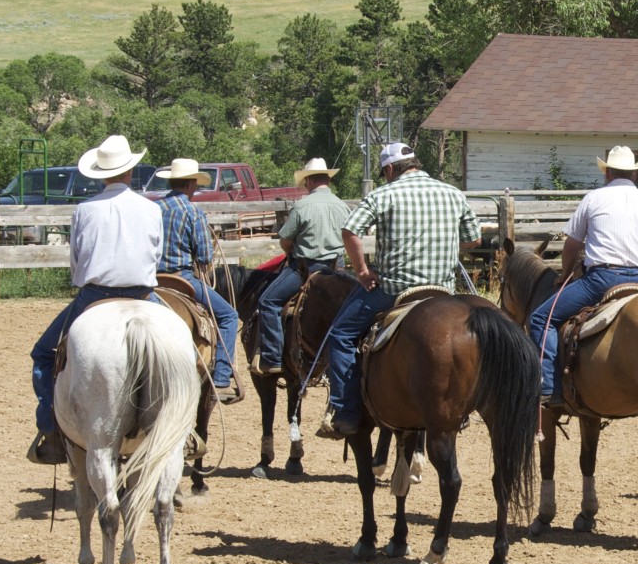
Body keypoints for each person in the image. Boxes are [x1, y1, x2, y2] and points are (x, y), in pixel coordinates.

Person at [317, 142, 481, 439]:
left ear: (390, 169)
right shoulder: (453, 193)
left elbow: (350, 231)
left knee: (340, 335)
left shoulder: (382, 195)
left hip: (394, 289)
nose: (384, 177)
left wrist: (363, 271)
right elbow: (473, 239)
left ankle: (346, 410)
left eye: (384, 173)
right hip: (441, 289)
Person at [27, 134, 163, 464]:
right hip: (144, 295)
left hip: (95, 295)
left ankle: (50, 428)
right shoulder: (151, 207)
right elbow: (155, 253)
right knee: (188, 356)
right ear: (130, 171)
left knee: (44, 355)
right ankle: (186, 428)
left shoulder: (85, 210)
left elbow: (77, 259)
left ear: (101, 174)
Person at [529, 146, 638, 408]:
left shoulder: (593, 199)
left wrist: (564, 276)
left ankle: (548, 387)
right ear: (634, 176)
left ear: (607, 173)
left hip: (601, 279)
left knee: (541, 318)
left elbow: (572, 245)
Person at [155, 158, 240, 401]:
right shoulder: (193, 212)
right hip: (182, 278)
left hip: (151, 280)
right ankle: (222, 376)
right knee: (228, 316)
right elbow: (203, 256)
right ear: (192, 184)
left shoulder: (153, 208)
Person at [255, 158, 350, 377]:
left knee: (267, 302)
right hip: (337, 271)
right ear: (328, 179)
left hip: (306, 270)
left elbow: (286, 240)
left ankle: (272, 357)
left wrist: (290, 252)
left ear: (308, 181)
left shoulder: (302, 206)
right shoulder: (342, 205)